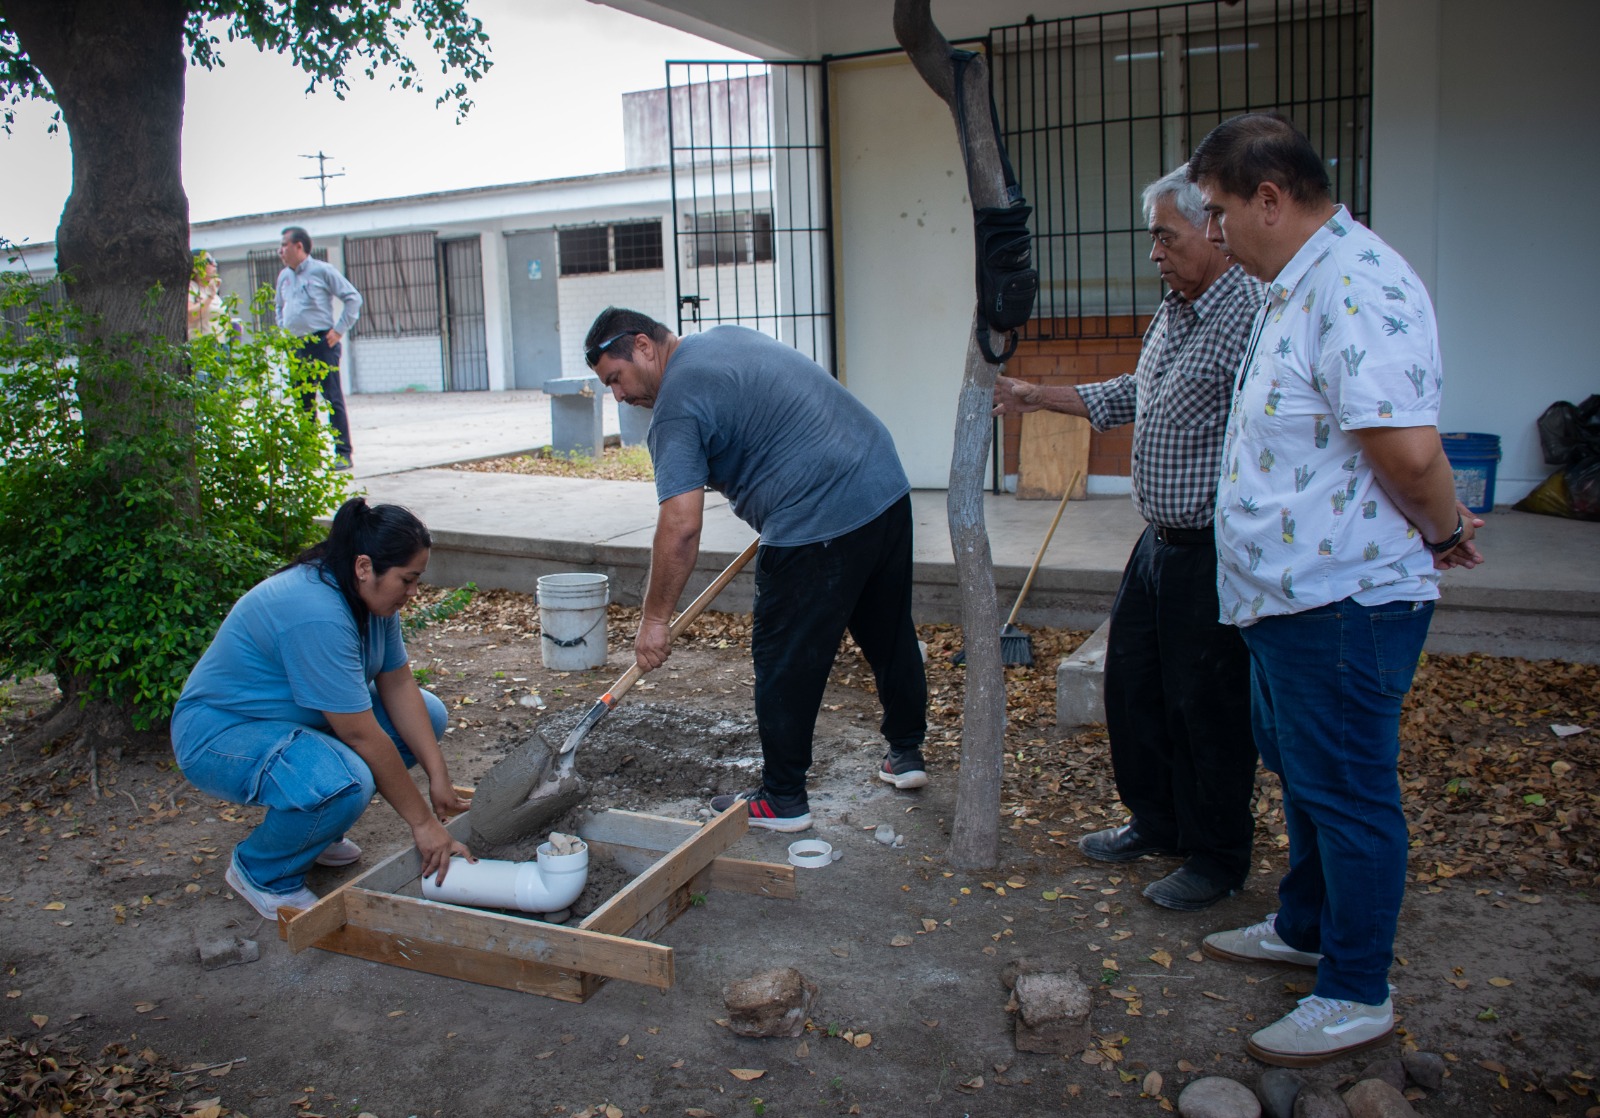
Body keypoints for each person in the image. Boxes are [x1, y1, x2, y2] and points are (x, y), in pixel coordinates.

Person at [1185, 113, 1483, 1066]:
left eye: (1219, 211)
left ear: (1270, 199)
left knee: (1349, 791)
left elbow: (1409, 452)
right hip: (1288, 597)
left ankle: (1356, 989)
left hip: (1343, 600)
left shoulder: (1354, 283)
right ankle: (1306, 925)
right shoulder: (1297, 283)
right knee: (1308, 776)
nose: (1214, 231)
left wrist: (1444, 530)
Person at [992, 165, 1265, 912]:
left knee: (1206, 706)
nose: (1154, 254)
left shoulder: (1249, 314)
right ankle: (1158, 822)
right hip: (1158, 542)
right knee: (1134, 687)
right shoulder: (1176, 309)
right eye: (1154, 238)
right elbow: (1136, 393)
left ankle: (1217, 856)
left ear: (1212, 231)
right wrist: (1035, 396)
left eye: (1165, 237)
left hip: (1213, 548)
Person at [584, 308, 928, 833]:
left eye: (616, 378)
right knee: (888, 629)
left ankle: (783, 798)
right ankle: (906, 751)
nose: (618, 396)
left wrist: (654, 620)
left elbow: (681, 526)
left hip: (817, 514)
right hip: (882, 484)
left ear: (644, 347)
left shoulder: (676, 407)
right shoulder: (724, 339)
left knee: (783, 657)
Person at [172, 498, 473, 921]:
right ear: (364, 566)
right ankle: (261, 872)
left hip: (293, 723)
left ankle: (317, 831)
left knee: (429, 712)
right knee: (344, 782)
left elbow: (398, 683)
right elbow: (359, 734)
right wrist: (424, 824)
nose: (413, 593)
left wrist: (438, 776)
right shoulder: (316, 612)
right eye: (407, 580)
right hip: (220, 736)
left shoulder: (369, 596)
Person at [276, 226, 362, 470]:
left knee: (332, 398)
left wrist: (339, 330)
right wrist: (284, 331)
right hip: (296, 345)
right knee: (303, 402)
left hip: (322, 343)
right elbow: (279, 307)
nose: (280, 250)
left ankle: (343, 453)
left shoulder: (322, 271)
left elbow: (353, 298)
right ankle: (309, 454)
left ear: (299, 246)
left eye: (284, 245)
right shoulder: (284, 277)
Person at [187, 249, 225, 342]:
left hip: (221, 344)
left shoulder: (211, 287)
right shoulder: (191, 287)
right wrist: (210, 296)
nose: (214, 264)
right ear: (196, 267)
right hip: (202, 344)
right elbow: (191, 315)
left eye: (214, 261)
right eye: (209, 261)